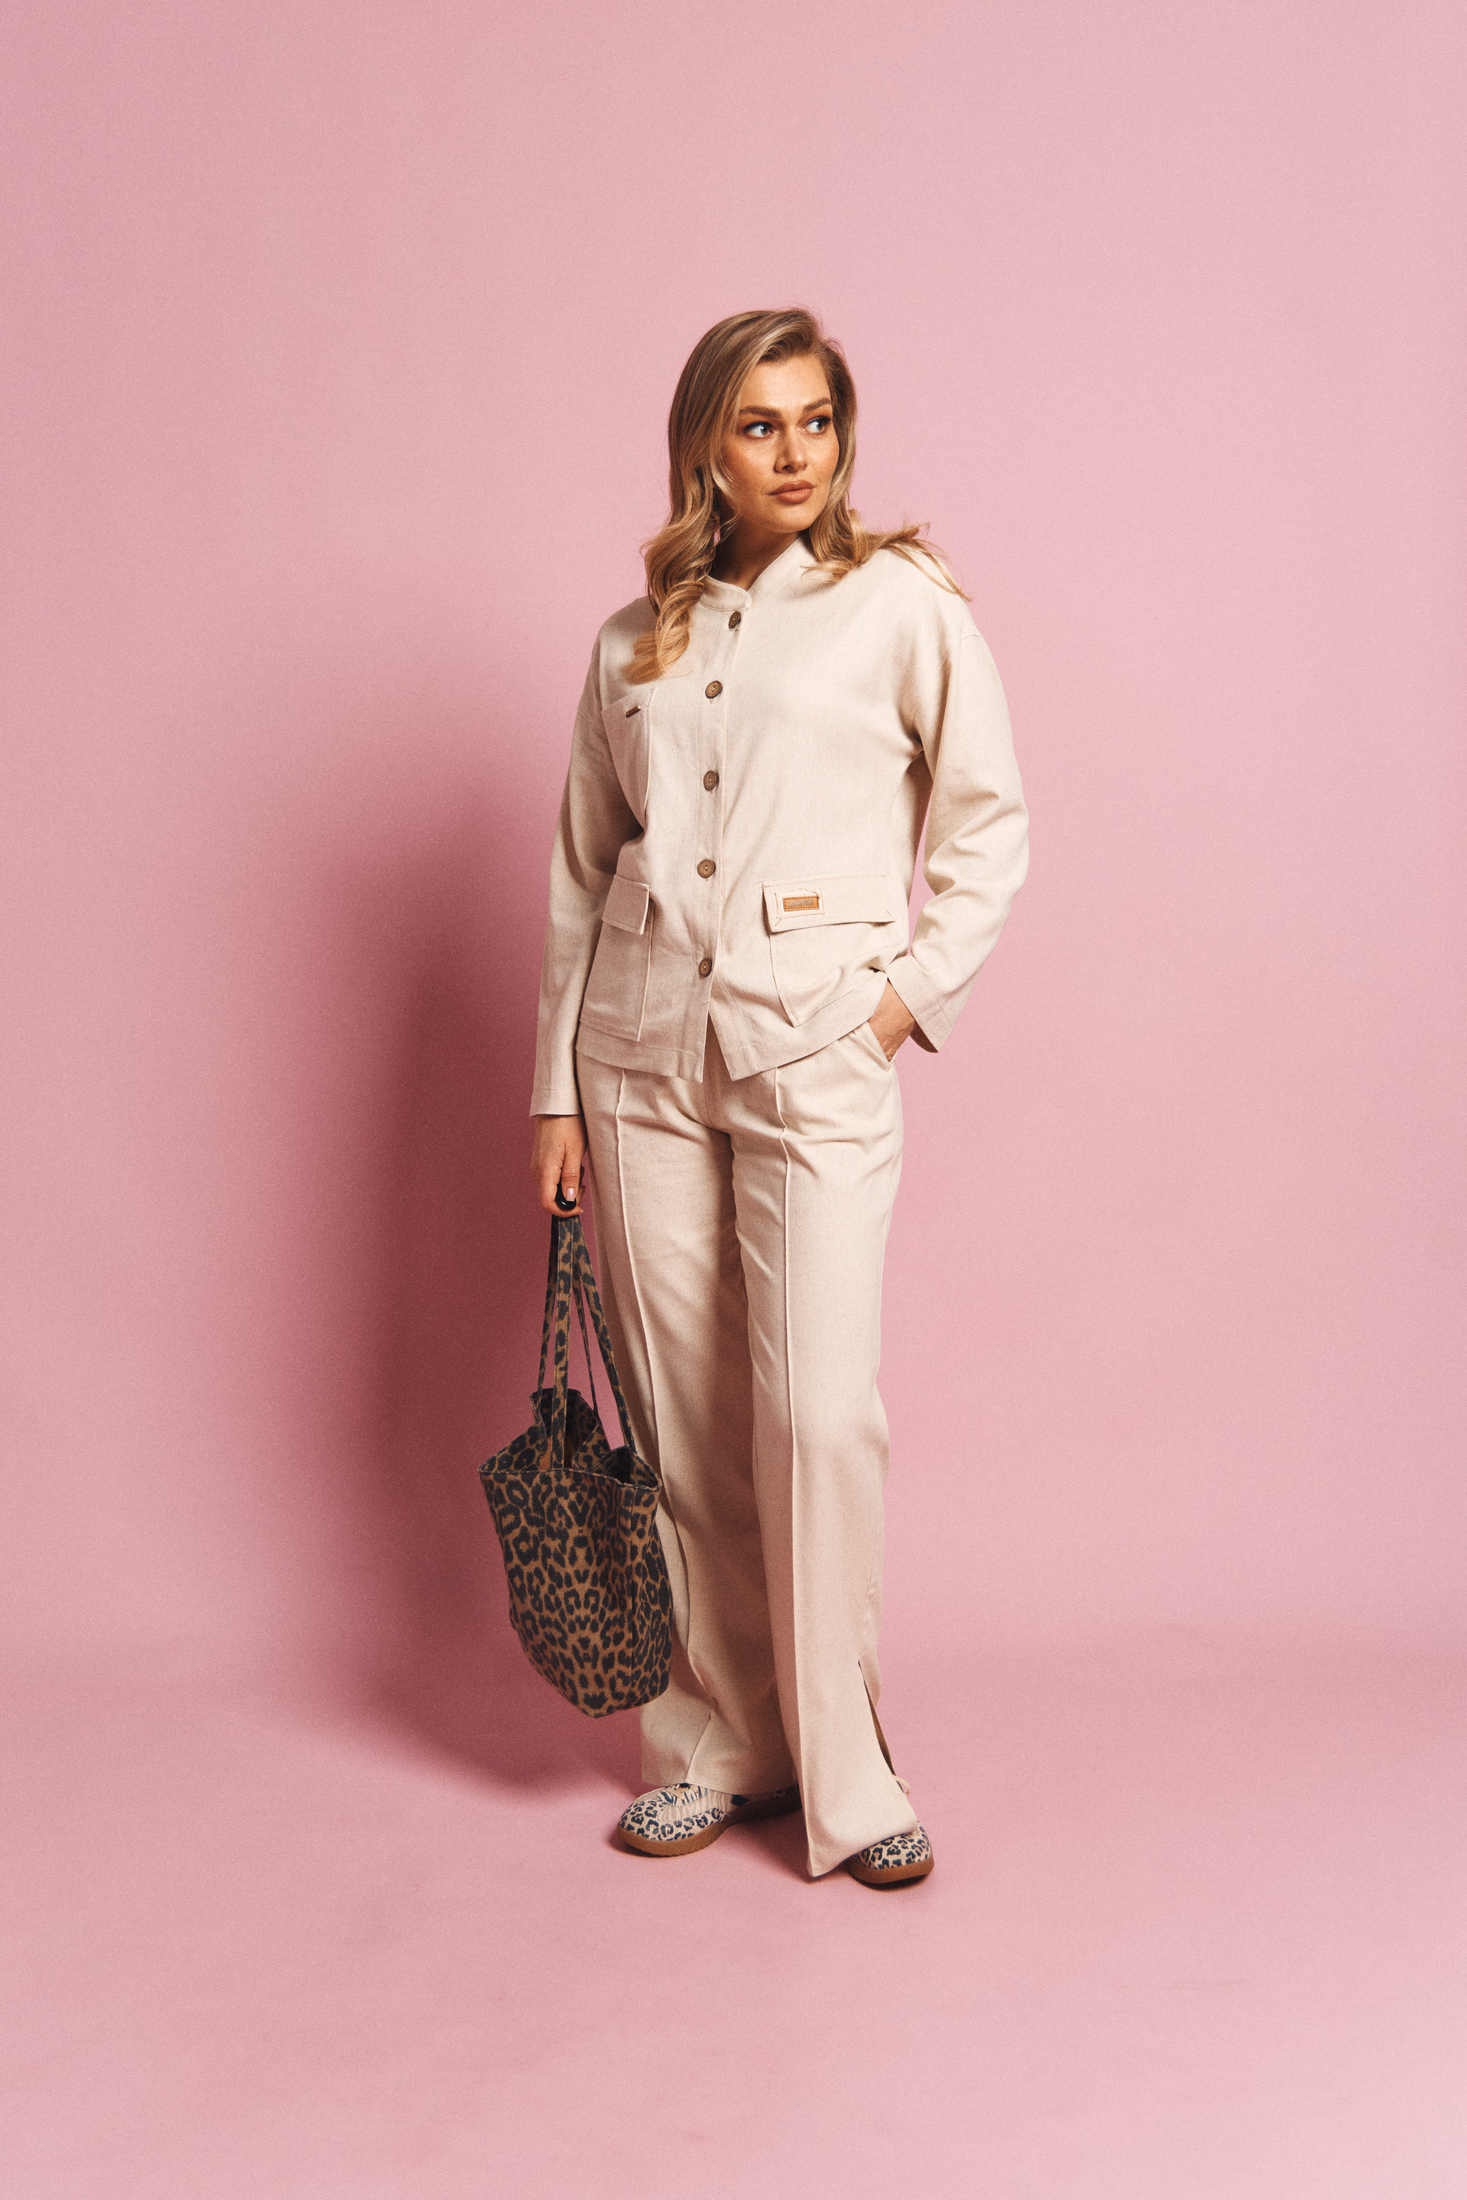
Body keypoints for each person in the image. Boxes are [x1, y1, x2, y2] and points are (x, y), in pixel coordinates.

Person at [526, 307, 1030, 1888]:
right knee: (683, 1425)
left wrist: (898, 1007)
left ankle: (849, 1773)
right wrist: (553, 1093)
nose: (796, 452)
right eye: (760, 425)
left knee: (815, 1415)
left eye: (816, 420)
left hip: (818, 1049)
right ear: (706, 446)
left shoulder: (902, 603)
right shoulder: (632, 640)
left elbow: (988, 827)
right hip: (637, 1059)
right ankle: (714, 1746)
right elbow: (580, 873)